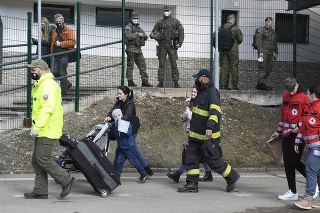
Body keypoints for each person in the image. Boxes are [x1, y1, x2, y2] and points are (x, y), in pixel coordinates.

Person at [178, 69, 240, 193]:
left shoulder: (213, 93)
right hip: (195, 136)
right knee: (191, 159)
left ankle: (232, 176)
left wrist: (210, 127)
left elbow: (215, 111)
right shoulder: (200, 92)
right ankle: (191, 184)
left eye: (198, 78)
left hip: (207, 136)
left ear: (204, 79)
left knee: (214, 162)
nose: (196, 80)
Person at [24, 59, 76, 199]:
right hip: (44, 128)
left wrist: (38, 125)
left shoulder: (47, 85)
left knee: (42, 158)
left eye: (34, 70)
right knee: (37, 160)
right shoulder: (42, 84)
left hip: (47, 128)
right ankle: (40, 191)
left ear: (41, 69)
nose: (32, 72)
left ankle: (66, 180)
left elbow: (47, 108)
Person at [271, 77, 310, 201]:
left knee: (294, 161)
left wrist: (300, 129)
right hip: (286, 135)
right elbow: (283, 115)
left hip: (299, 134)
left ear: (297, 85)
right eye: (289, 91)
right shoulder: (285, 96)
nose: (291, 93)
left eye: (293, 90)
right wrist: (278, 131)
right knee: (287, 163)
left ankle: (314, 182)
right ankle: (292, 191)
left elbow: (307, 116)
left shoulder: (304, 98)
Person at [105, 86, 153, 177]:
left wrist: (120, 118)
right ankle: (145, 170)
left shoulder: (130, 104)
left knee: (132, 151)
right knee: (125, 150)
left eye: (120, 94)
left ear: (126, 94)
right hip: (122, 130)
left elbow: (127, 116)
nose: (118, 95)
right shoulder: (118, 102)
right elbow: (113, 111)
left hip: (129, 130)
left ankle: (145, 170)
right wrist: (109, 116)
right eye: (118, 93)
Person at [167, 86, 212, 183]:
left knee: (188, 154)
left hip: (199, 134)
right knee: (202, 156)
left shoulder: (201, 104)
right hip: (192, 133)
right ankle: (208, 173)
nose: (192, 93)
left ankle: (178, 174)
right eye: (192, 92)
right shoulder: (191, 103)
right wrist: (184, 117)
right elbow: (185, 117)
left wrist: (189, 115)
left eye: (195, 92)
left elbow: (199, 120)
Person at [294, 84, 320, 210]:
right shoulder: (311, 107)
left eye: (308, 93)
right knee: (318, 172)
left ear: (313, 94)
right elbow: (304, 126)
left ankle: (308, 198)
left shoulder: (318, 108)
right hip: (311, 147)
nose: (306, 96)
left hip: (317, 147)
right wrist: (298, 140)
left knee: (310, 170)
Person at [109, 109, 148, 183]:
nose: (117, 117)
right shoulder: (115, 125)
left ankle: (143, 174)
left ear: (122, 115)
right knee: (119, 163)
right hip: (121, 148)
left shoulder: (126, 124)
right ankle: (117, 177)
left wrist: (122, 129)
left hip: (129, 147)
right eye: (115, 116)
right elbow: (113, 135)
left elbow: (129, 134)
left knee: (134, 162)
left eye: (119, 115)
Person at [150, 5, 184, 88]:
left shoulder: (176, 22)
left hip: (172, 46)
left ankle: (176, 83)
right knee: (161, 64)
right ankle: (160, 82)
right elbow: (153, 33)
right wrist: (153, 35)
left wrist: (180, 43)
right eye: (165, 10)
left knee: (174, 64)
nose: (166, 12)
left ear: (171, 11)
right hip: (162, 45)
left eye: (168, 10)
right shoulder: (159, 22)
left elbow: (181, 33)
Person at [213, 14, 243, 90]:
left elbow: (213, 38)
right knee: (234, 67)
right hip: (233, 51)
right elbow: (240, 39)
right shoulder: (235, 29)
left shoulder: (220, 28)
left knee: (223, 67)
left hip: (223, 50)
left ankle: (223, 85)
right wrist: (234, 44)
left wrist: (218, 47)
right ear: (233, 20)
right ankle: (234, 85)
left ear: (227, 19)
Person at [125, 12, 153, 87]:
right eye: (134, 18)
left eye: (137, 18)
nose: (135, 20)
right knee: (130, 66)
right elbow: (128, 36)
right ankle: (130, 81)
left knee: (142, 65)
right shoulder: (128, 27)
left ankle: (145, 81)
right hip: (131, 49)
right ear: (131, 19)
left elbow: (146, 37)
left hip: (138, 49)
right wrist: (137, 34)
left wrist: (143, 35)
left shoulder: (139, 28)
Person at [50, 13, 75, 96]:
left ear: (63, 21)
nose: (58, 23)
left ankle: (63, 91)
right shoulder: (54, 31)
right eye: (56, 21)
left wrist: (61, 44)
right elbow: (52, 43)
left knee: (62, 72)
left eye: (60, 21)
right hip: (55, 54)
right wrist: (51, 53)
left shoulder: (69, 30)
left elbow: (72, 42)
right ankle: (67, 84)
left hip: (64, 54)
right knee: (54, 72)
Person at [255, 17, 278, 90]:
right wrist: (260, 51)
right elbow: (258, 42)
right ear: (265, 22)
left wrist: (276, 52)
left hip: (270, 53)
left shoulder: (273, 32)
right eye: (267, 21)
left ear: (272, 23)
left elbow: (275, 43)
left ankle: (259, 83)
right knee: (262, 68)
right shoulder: (261, 30)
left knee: (269, 69)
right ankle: (261, 84)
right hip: (263, 53)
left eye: (270, 22)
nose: (268, 23)